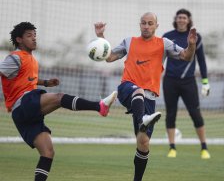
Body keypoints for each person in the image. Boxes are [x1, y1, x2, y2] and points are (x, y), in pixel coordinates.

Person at [0, 22, 117, 181]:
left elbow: (27, 80)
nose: (34, 39)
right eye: (29, 36)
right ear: (19, 39)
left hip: (23, 112)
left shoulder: (31, 59)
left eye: (35, 35)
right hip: (23, 104)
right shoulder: (15, 57)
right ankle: (99, 106)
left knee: (48, 152)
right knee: (59, 98)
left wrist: (46, 83)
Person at [94, 12, 197, 181]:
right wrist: (100, 37)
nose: (147, 26)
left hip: (149, 99)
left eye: (150, 23)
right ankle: (143, 118)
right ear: (139, 24)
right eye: (144, 23)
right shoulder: (129, 41)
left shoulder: (164, 44)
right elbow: (110, 57)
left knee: (143, 144)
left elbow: (187, 56)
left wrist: (191, 45)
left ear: (156, 25)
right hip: (127, 89)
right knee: (138, 91)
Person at [162, 9, 210, 159]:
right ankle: (172, 147)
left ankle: (204, 148)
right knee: (171, 114)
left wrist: (205, 82)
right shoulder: (167, 37)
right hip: (169, 81)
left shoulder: (196, 37)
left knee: (195, 114)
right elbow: (160, 60)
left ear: (189, 20)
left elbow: (201, 60)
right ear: (175, 19)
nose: (181, 20)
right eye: (179, 17)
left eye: (184, 18)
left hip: (189, 82)